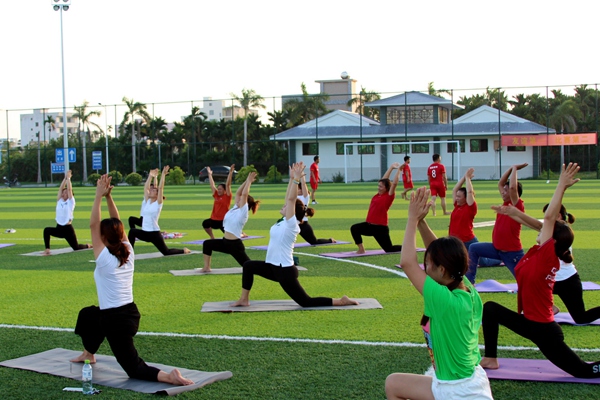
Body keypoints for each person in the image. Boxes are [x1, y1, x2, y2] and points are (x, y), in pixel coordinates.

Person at [70, 174, 193, 386]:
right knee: (89, 315)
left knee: (133, 368)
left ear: (104, 237)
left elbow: (93, 224)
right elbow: (115, 224)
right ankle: (88, 353)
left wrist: (98, 196)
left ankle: (169, 377)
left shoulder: (104, 259)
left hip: (117, 321)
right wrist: (109, 197)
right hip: (128, 312)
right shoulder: (127, 250)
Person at [481, 163, 600, 379]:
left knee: (584, 370)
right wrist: (512, 212)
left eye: (547, 228)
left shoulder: (548, 256)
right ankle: (490, 357)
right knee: (490, 309)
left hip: (543, 329)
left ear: (551, 237)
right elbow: (535, 223)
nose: (541, 228)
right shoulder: (540, 251)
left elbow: (546, 220)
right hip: (531, 322)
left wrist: (561, 186)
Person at [385, 187, 493, 400]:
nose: (424, 267)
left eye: (428, 264)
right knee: (394, 383)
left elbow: (407, 262)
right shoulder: (467, 289)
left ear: (442, 270)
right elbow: (438, 250)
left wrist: (411, 220)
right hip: (473, 381)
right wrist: (422, 220)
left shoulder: (444, 300)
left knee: (394, 384)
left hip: (457, 390)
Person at [231, 163, 358, 308]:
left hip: (284, 270)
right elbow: (288, 198)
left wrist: (297, 180)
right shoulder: (283, 221)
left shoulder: (292, 225)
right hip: (272, 266)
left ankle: (341, 301)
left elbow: (291, 200)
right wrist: (292, 179)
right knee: (248, 266)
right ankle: (243, 299)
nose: (283, 205)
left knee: (306, 302)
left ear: (293, 212)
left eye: (286, 207)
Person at [491, 201, 600, 324]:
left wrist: (515, 212)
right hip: (551, 280)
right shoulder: (552, 231)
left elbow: (535, 223)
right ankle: (551, 307)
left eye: (547, 216)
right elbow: (528, 223)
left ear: (557, 216)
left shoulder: (561, 233)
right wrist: (509, 213)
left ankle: (551, 307)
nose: (545, 220)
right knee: (529, 283)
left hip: (567, 281)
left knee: (580, 318)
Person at [466, 163, 527, 283]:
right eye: (503, 190)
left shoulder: (517, 206)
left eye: (506, 190)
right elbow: (500, 183)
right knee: (473, 248)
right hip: (496, 249)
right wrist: (510, 169)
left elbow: (513, 188)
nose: (503, 192)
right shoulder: (504, 204)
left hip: (512, 254)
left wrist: (515, 169)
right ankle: (469, 283)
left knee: (525, 281)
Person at [199, 172, 260, 272]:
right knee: (207, 244)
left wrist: (249, 182)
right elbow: (238, 193)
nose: (238, 199)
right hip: (225, 242)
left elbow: (244, 194)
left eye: (241, 200)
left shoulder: (243, 212)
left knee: (249, 266)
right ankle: (206, 267)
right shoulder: (236, 208)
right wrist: (246, 181)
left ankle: (267, 268)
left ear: (246, 203)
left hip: (235, 245)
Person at [127, 166, 190, 256]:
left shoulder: (158, 204)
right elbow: (145, 188)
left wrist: (163, 174)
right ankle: (129, 253)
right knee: (132, 231)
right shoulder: (147, 201)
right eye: (151, 190)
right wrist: (150, 176)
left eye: (153, 191)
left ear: (157, 195)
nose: (151, 191)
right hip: (145, 232)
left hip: (154, 234)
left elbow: (160, 188)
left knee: (166, 252)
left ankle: (183, 250)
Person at [449, 168, 502, 267]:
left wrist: (468, 179)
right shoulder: (457, 206)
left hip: (468, 240)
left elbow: (469, 192)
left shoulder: (470, 207)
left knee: (483, 262)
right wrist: (464, 178)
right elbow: (455, 189)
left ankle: (500, 258)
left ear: (466, 198)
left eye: (459, 197)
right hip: (455, 241)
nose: (456, 198)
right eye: (456, 196)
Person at [350, 162, 403, 254]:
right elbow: (383, 180)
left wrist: (399, 170)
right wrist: (390, 168)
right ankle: (361, 249)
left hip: (380, 228)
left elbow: (394, 183)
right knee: (354, 228)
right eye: (378, 186)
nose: (378, 188)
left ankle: (408, 247)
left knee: (389, 249)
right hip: (369, 226)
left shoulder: (389, 196)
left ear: (386, 188)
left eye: (381, 187)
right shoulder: (377, 195)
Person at [43, 170, 92, 255]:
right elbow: (60, 189)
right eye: (63, 193)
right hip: (59, 228)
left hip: (68, 229)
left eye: (65, 193)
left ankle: (88, 245)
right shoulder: (60, 201)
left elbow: (69, 189)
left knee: (76, 248)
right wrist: (65, 178)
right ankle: (47, 249)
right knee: (46, 230)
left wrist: (69, 179)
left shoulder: (71, 202)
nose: (63, 193)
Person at [297, 173, 335, 245]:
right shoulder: (293, 197)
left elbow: (304, 185)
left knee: (314, 242)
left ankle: (330, 240)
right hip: (292, 223)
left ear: (302, 190)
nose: (296, 190)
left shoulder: (305, 197)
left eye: (298, 189)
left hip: (302, 224)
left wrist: (302, 176)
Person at [202, 165, 234, 239]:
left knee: (229, 237)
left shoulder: (227, 196)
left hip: (223, 221)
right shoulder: (216, 195)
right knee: (205, 223)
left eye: (220, 189)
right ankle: (212, 237)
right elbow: (212, 185)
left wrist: (230, 173)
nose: (218, 190)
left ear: (225, 190)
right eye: (218, 189)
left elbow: (228, 184)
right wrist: (210, 174)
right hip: (214, 220)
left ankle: (240, 234)